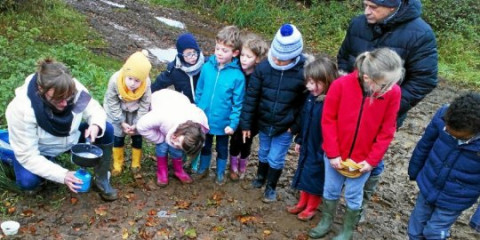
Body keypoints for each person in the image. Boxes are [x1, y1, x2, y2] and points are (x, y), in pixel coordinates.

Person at [337, 0, 438, 220]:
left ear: (393, 7)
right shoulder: (358, 24)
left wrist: (388, 105)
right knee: (345, 144)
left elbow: (425, 79)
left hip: (382, 113)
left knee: (373, 155)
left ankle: (359, 203)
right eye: (365, 4)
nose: (366, 11)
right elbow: (344, 57)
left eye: (374, 7)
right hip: (350, 106)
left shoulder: (420, 34)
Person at [309, 48, 403, 239]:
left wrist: (371, 161)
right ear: (367, 77)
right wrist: (333, 153)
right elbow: (328, 119)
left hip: (363, 160)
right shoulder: (340, 85)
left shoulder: (393, 92)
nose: (389, 88)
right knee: (331, 189)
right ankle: (326, 221)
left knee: (353, 194)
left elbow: (387, 131)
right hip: (336, 155)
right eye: (384, 84)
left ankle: (347, 230)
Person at [5, 58, 118, 201]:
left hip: (70, 138)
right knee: (28, 182)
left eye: (68, 98)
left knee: (106, 129)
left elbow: (94, 109)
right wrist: (62, 175)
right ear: (41, 90)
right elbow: (28, 156)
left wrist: (95, 125)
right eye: (58, 99)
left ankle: (102, 179)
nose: (65, 103)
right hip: (40, 149)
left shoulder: (74, 90)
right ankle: (13, 154)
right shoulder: (21, 110)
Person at [240, 23, 307, 203]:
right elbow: (251, 97)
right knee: (263, 153)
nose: (277, 61)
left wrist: (294, 127)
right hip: (264, 122)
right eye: (275, 56)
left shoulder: (303, 72)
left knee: (276, 158)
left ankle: (271, 186)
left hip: (285, 126)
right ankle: (260, 177)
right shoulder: (263, 68)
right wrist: (246, 123)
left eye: (282, 59)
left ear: (294, 56)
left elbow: (305, 104)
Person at [407, 93, 480, 240]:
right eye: (447, 131)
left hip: (457, 197)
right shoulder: (443, 115)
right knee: (414, 228)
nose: (450, 135)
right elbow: (425, 144)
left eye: (458, 137)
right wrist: (414, 170)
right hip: (429, 183)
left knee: (434, 231)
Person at [287, 55, 338, 221]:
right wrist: (300, 140)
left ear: (327, 80)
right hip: (308, 142)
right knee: (304, 171)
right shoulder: (310, 98)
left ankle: (312, 206)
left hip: (321, 147)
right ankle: (302, 201)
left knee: (316, 176)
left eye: (314, 83)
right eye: (308, 82)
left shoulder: (331, 101)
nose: (309, 87)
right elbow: (304, 119)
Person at [194, 25, 245, 185]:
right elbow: (199, 90)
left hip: (223, 123)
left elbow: (238, 104)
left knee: (222, 148)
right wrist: (197, 109)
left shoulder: (237, 76)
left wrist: (233, 124)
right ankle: (203, 168)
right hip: (205, 119)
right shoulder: (207, 67)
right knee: (205, 145)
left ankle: (220, 173)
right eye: (217, 48)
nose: (219, 53)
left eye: (224, 50)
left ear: (235, 53)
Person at [136, 89, 209, 186]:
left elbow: (198, 140)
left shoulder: (199, 122)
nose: (175, 144)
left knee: (176, 149)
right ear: (179, 132)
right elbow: (141, 126)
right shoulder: (161, 116)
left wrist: (179, 144)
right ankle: (162, 171)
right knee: (162, 146)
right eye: (177, 140)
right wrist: (159, 138)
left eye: (180, 145)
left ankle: (178, 170)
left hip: (181, 104)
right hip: (161, 101)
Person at [104, 50, 152, 176]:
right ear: (125, 74)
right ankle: (118, 164)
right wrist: (121, 121)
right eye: (130, 79)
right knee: (117, 135)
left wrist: (137, 122)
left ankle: (135, 164)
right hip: (117, 110)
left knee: (136, 134)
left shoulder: (146, 84)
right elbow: (112, 101)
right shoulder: (115, 80)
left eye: (137, 81)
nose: (132, 83)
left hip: (135, 111)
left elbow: (145, 104)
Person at [228, 33, 268, 181]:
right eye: (242, 55)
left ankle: (242, 164)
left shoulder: (260, 75)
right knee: (235, 140)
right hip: (236, 113)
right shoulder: (235, 71)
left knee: (247, 142)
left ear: (257, 59)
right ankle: (232, 166)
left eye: (248, 56)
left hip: (253, 117)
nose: (243, 59)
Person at [151, 33, 205, 103]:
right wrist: (147, 95)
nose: (193, 56)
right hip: (186, 107)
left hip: (204, 107)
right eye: (188, 54)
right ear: (181, 55)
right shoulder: (175, 70)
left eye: (194, 52)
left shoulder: (206, 65)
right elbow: (159, 83)